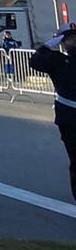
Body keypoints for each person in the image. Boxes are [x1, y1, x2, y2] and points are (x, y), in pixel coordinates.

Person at [28, 19, 76, 201]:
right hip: (69, 118)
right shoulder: (57, 60)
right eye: (70, 39)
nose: (74, 42)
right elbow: (34, 62)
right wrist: (47, 46)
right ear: (62, 42)